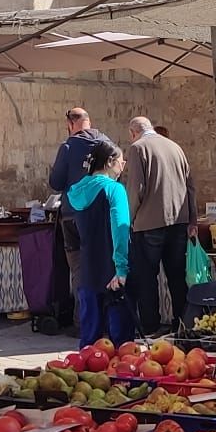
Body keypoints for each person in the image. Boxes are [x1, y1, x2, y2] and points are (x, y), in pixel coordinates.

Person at [124, 116, 195, 334]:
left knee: (147, 277)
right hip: (178, 221)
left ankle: (151, 326)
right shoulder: (175, 147)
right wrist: (192, 218)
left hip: (149, 223)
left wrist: (129, 218)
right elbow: (190, 185)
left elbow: (136, 188)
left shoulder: (137, 148)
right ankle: (182, 323)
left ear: (132, 132)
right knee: (176, 276)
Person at [68, 140, 134, 347]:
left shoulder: (76, 192)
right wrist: (121, 268)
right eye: (121, 162)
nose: (123, 167)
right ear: (109, 162)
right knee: (121, 344)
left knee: (89, 342)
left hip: (88, 268)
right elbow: (120, 228)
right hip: (112, 270)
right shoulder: (115, 190)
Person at [48, 105, 108, 320]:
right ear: (89, 121)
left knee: (78, 267)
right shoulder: (107, 144)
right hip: (100, 216)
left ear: (70, 124)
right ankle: (103, 319)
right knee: (101, 264)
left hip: (72, 215)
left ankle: (83, 320)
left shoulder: (68, 147)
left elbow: (55, 183)